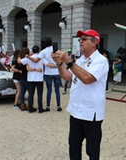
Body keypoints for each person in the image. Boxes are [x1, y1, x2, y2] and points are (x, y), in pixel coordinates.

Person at [51, 29, 109, 160]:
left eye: (84, 39)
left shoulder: (100, 60)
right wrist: (59, 64)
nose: (80, 42)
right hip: (76, 111)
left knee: (92, 150)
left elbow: (87, 79)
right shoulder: (81, 59)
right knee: (74, 146)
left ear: (94, 43)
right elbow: (67, 77)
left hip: (91, 113)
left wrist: (68, 62)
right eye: (80, 39)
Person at [27, 38, 62, 112]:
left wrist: (28, 56)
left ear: (44, 44)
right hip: (57, 72)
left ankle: (48, 106)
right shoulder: (57, 50)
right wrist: (58, 66)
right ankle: (58, 106)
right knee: (57, 90)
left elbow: (37, 60)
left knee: (49, 90)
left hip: (48, 72)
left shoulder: (43, 52)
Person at [19, 46, 47, 113]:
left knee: (31, 93)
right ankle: (40, 108)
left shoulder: (28, 58)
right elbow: (46, 63)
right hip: (39, 78)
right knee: (39, 94)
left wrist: (21, 55)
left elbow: (19, 61)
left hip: (31, 78)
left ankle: (30, 107)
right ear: (38, 51)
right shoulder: (41, 58)